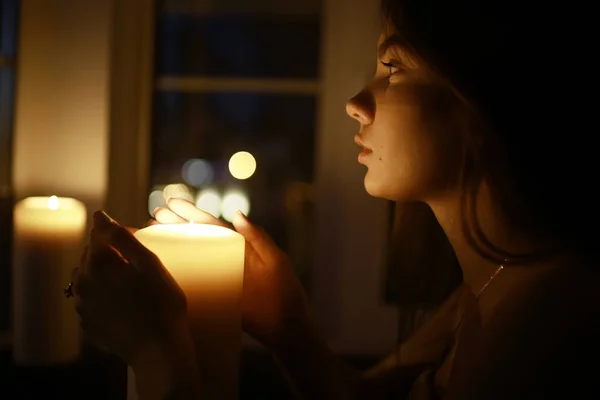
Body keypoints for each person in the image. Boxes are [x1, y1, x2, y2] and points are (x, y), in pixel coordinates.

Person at [72, 0, 600, 398]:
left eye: (393, 68)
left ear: (485, 94)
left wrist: (158, 359)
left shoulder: (548, 324)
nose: (354, 104)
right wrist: (290, 329)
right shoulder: (489, 288)